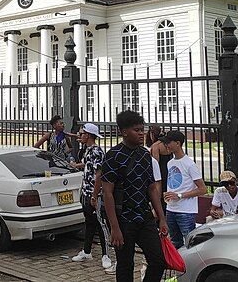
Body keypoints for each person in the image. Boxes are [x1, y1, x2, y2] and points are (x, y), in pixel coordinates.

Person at [101, 110, 167, 282]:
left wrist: (161, 217)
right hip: (123, 219)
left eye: (142, 129)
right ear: (124, 132)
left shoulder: (145, 155)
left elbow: (152, 188)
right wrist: (114, 228)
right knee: (125, 264)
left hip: (144, 216)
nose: (141, 133)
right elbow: (107, 193)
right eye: (136, 130)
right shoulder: (113, 156)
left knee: (158, 261)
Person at [71, 123, 113, 271]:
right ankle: (87, 251)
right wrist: (76, 165)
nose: (79, 135)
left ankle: (106, 255)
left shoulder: (96, 151)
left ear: (88, 135)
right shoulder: (88, 150)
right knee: (89, 223)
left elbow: (99, 174)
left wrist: (95, 196)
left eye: (81, 133)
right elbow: (87, 165)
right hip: (86, 192)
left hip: (94, 194)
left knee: (100, 225)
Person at [159, 130, 207, 248]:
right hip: (171, 208)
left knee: (189, 242)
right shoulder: (170, 163)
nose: (166, 145)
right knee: (175, 241)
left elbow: (202, 189)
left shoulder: (189, 164)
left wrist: (179, 195)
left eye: (169, 142)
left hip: (186, 211)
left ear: (178, 143)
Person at [147, 126, 173, 210]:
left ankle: (161, 210)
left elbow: (155, 162)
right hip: (170, 168)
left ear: (152, 134)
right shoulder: (167, 143)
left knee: (160, 191)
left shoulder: (156, 146)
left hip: (161, 171)